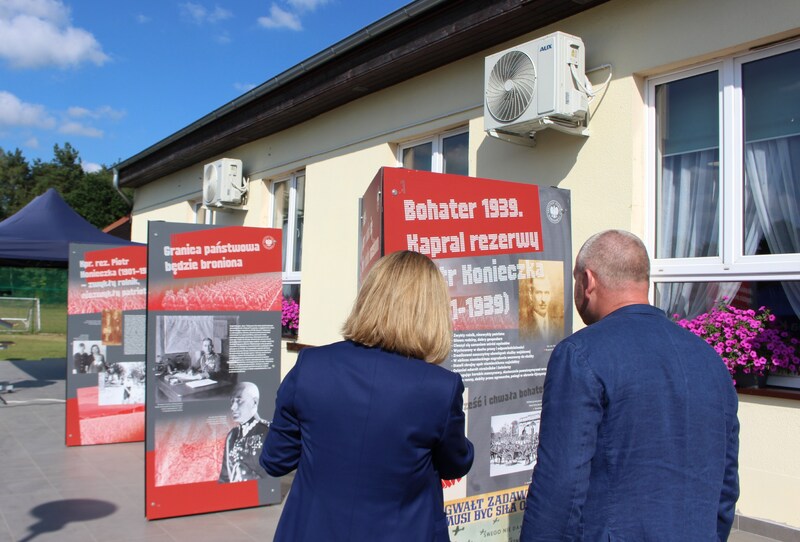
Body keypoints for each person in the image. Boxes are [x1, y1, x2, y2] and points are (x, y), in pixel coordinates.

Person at [520, 230, 739, 541]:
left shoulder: (580, 354)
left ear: (588, 281)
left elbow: (560, 484)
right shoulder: (710, 359)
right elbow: (725, 485)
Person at [260, 250, 474, 541]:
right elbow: (455, 464)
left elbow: (276, 460)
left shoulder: (312, 366)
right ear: (432, 312)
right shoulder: (440, 387)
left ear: (368, 299)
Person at [218, 382, 270, 483]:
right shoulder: (231, 436)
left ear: (254, 402)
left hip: (257, 495)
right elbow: (224, 477)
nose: (232, 407)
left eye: (239, 400)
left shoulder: (268, 432)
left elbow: (273, 476)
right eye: (232, 401)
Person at [520, 274, 561, 346]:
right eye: (539, 293)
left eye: (546, 293)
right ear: (530, 295)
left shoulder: (558, 325)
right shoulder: (522, 326)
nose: (543, 299)